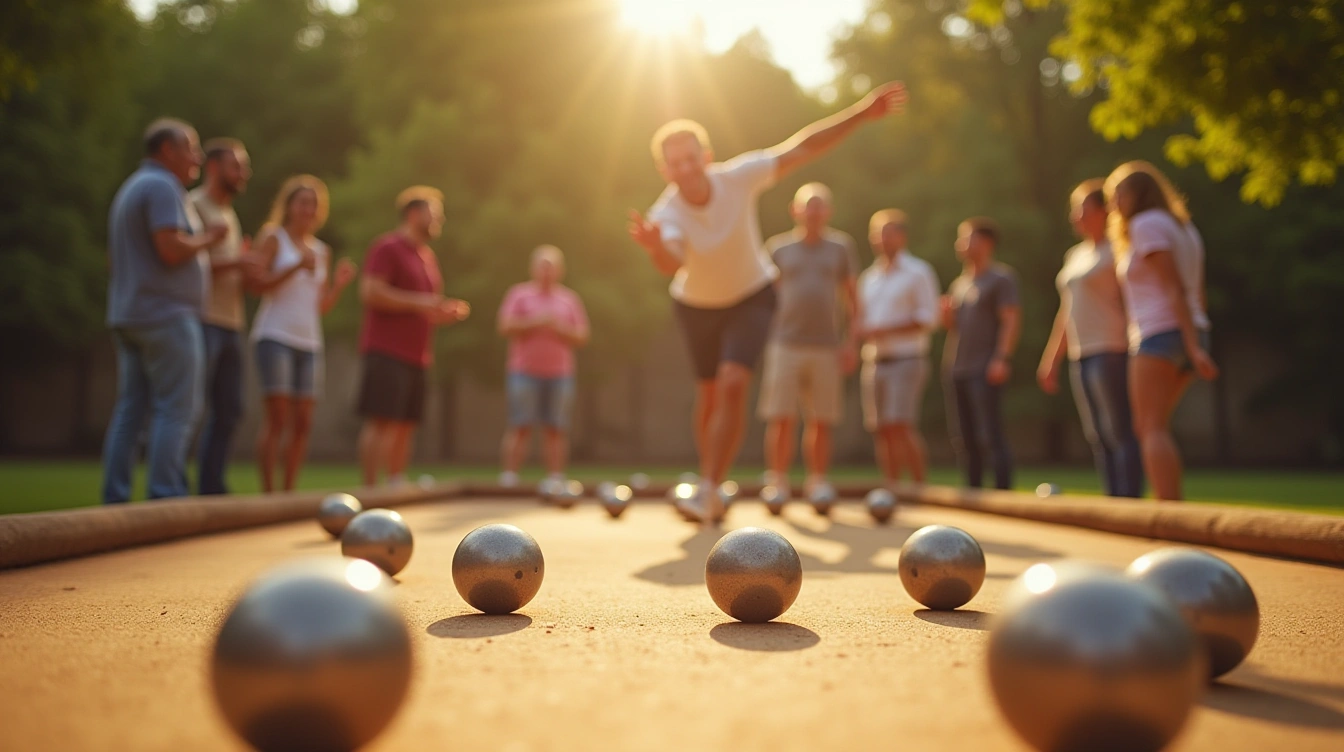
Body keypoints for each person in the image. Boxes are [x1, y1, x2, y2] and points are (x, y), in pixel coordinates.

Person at [628, 81, 908, 522]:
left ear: (706, 156)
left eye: (690, 159)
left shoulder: (738, 177)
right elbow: (673, 263)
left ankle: (708, 487)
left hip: (752, 295)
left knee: (734, 383)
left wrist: (860, 113)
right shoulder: (666, 214)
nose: (684, 169)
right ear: (664, 170)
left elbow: (803, 147)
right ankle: (712, 482)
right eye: (673, 164)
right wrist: (655, 247)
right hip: (696, 305)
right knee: (709, 393)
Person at [102, 118, 226, 504]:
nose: (198, 157)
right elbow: (170, 249)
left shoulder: (132, 186)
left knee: (131, 412)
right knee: (178, 410)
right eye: (191, 148)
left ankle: (116, 500)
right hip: (165, 316)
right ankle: (166, 497)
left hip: (131, 314)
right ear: (167, 151)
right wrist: (209, 238)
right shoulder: (162, 186)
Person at [1105, 161, 1218, 500]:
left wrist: (1191, 345)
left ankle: (1169, 512)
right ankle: (1168, 502)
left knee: (1149, 427)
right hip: (1189, 330)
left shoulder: (1145, 224)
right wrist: (1196, 339)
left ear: (1139, 194)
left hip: (1160, 333)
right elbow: (1195, 290)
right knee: (1156, 426)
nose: (1114, 203)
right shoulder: (1183, 228)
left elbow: (1174, 289)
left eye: (1119, 194)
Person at [249, 175, 356, 492]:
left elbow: (320, 306)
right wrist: (295, 266)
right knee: (278, 418)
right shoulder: (273, 238)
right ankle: (269, 494)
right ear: (289, 206)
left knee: (303, 423)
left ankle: (289, 493)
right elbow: (257, 285)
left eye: (314, 204)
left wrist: (338, 285)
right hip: (275, 335)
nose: (309, 210)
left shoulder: (322, 251)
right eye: (303, 203)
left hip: (309, 341)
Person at [357, 186, 470, 486]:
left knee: (406, 424)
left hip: (417, 354)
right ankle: (370, 489)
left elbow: (424, 306)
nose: (440, 220)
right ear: (413, 214)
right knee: (381, 421)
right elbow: (370, 292)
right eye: (435, 214)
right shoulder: (387, 247)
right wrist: (421, 302)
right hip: (385, 349)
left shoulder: (426, 257)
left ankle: (395, 481)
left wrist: (442, 312)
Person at [1037, 180, 1143, 498]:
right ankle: (1114, 500)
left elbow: (1134, 298)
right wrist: (1052, 358)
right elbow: (1067, 312)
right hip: (1080, 354)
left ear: (1103, 210)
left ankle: (1130, 502)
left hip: (1112, 348)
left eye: (1082, 209)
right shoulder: (1075, 255)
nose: (1075, 217)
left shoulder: (1118, 247)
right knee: (1097, 434)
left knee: (1119, 431)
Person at [756, 183, 858, 509]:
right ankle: (779, 481)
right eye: (808, 207)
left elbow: (853, 298)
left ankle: (817, 482)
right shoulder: (778, 248)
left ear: (827, 212)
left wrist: (851, 342)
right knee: (781, 415)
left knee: (821, 418)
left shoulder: (841, 248)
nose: (813, 213)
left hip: (827, 345)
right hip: (785, 343)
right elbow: (762, 299)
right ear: (795, 210)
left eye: (819, 207)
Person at [857, 209, 940, 487]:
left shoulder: (918, 272)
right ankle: (892, 487)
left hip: (907, 359)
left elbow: (928, 318)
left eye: (889, 232)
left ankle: (919, 488)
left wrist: (885, 330)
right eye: (878, 233)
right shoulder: (869, 278)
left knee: (900, 425)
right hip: (875, 360)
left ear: (902, 237)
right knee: (882, 429)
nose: (882, 239)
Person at [496, 245, 591, 489]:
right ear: (533, 268)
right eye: (542, 266)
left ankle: (556, 478)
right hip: (523, 372)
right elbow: (504, 326)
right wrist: (537, 321)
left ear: (560, 271)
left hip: (560, 373)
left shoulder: (569, 299)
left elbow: (582, 336)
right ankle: (509, 477)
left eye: (551, 267)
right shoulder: (519, 294)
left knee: (556, 427)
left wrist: (559, 327)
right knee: (520, 424)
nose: (547, 272)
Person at [190, 138, 252, 496]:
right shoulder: (195, 205)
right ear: (214, 167)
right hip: (203, 319)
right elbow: (191, 266)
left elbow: (230, 271)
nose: (243, 173)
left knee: (231, 409)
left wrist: (250, 265)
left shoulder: (230, 214)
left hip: (231, 322)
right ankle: (170, 488)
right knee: (191, 407)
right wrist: (240, 262)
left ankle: (212, 488)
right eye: (237, 166)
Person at [942, 217, 1020, 490]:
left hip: (985, 367)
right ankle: (973, 494)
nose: (960, 244)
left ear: (986, 242)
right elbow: (954, 327)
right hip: (958, 368)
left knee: (990, 435)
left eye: (967, 238)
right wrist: (946, 317)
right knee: (964, 438)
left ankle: (1003, 495)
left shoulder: (1000, 279)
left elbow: (1010, 320)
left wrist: (1002, 358)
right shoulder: (959, 284)